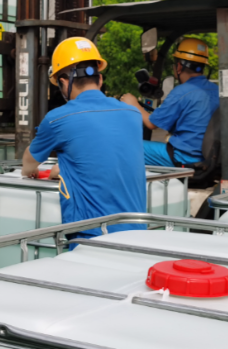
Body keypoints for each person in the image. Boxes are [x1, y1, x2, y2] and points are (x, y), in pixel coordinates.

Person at [22, 37, 147, 241]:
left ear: (63, 82)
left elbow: (28, 163)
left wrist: (30, 171)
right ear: (100, 79)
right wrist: (64, 170)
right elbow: (106, 160)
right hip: (137, 231)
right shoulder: (133, 114)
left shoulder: (58, 118)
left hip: (93, 237)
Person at [121, 37, 219, 167]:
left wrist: (133, 103)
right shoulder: (217, 90)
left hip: (184, 156)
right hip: (210, 156)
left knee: (124, 145)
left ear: (179, 66)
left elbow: (151, 124)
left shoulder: (182, 91)